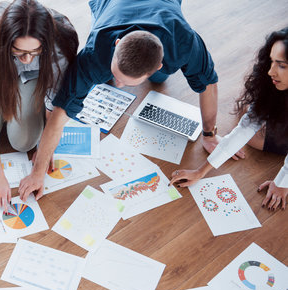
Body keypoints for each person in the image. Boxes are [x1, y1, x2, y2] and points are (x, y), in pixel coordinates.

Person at [18, 0, 223, 201]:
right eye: (117, 75)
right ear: (116, 44)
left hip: (164, 12)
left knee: (159, 81)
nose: (117, 86)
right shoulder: (94, 53)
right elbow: (59, 115)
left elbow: (208, 85)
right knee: (102, 75)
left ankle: (137, 72)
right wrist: (38, 172)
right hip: (110, 5)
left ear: (159, 64)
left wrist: (209, 134)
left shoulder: (185, 42)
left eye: (125, 82)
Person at [0, 0, 78, 208]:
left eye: (35, 52)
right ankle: (7, 90)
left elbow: (54, 99)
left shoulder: (62, 41)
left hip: (36, 79)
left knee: (23, 142)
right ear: (5, 42)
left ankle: (17, 95)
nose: (27, 59)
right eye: (18, 52)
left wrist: (47, 149)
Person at [170, 28, 288, 211]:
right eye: (271, 61)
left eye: (281, 65)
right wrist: (200, 171)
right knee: (248, 116)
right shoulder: (271, 81)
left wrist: (282, 182)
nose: (270, 72)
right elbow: (243, 130)